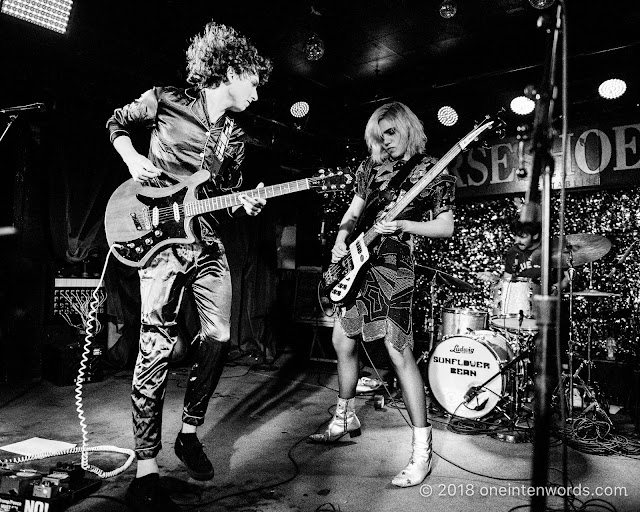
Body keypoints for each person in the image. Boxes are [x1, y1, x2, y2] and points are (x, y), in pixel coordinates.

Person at [106, 21, 272, 511]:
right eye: (254, 80)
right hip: (156, 239)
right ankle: (146, 466)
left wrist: (246, 203)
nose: (258, 92)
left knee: (220, 335)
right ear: (232, 70)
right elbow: (115, 120)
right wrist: (132, 157)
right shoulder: (164, 99)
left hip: (206, 240)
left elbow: (217, 197)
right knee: (154, 350)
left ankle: (190, 431)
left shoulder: (234, 138)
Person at [309, 102, 455, 488]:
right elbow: (352, 215)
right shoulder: (368, 169)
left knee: (397, 349)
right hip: (359, 262)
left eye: (389, 133)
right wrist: (341, 238)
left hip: (396, 264)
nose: (383, 142)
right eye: (377, 135)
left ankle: (421, 450)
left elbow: (445, 227)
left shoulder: (433, 169)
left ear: (406, 128)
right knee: (342, 337)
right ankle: (345, 417)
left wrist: (405, 223)